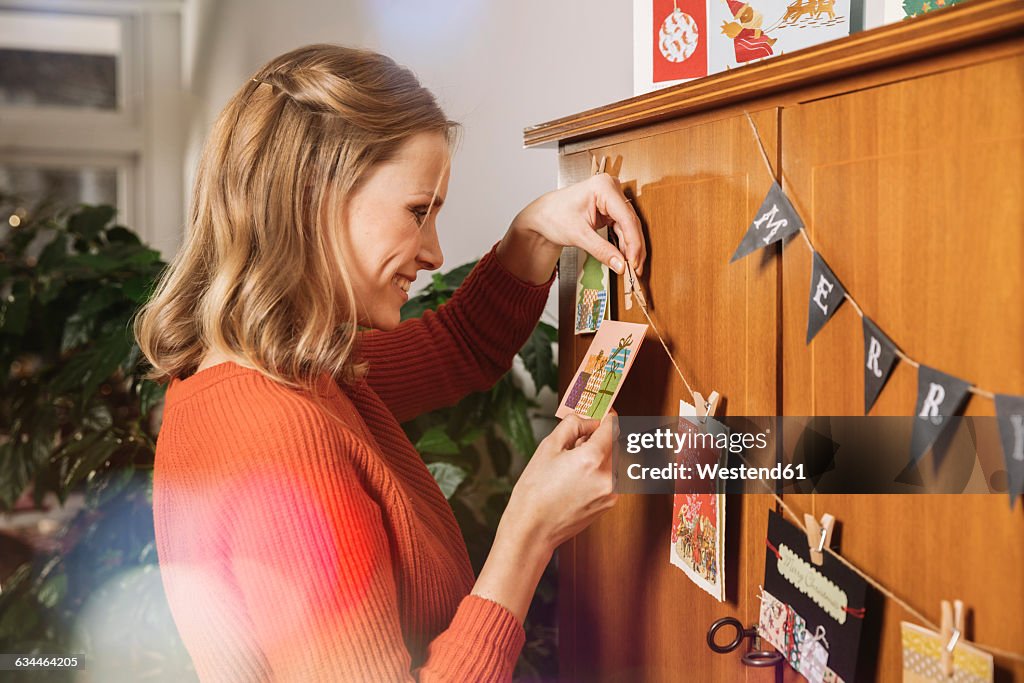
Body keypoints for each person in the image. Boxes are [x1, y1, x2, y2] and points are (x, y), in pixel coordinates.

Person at [134, 44, 646, 682]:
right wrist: (529, 535)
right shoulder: (279, 436)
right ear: (315, 197)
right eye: (416, 213)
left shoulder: (277, 367)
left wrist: (536, 232)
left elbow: (458, 348)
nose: (433, 252)